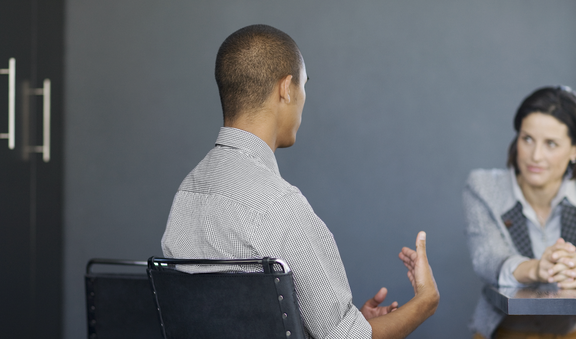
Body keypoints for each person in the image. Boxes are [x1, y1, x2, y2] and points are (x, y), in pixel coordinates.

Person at [161, 24, 439, 339]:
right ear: (286, 89)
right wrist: (424, 302)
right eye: (305, 85)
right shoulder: (276, 205)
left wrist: (349, 323)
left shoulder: (187, 193)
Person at [464, 86, 576, 339]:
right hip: (503, 331)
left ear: (574, 150)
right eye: (527, 139)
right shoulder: (483, 187)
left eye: (551, 144)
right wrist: (538, 269)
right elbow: (488, 260)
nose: (535, 156)